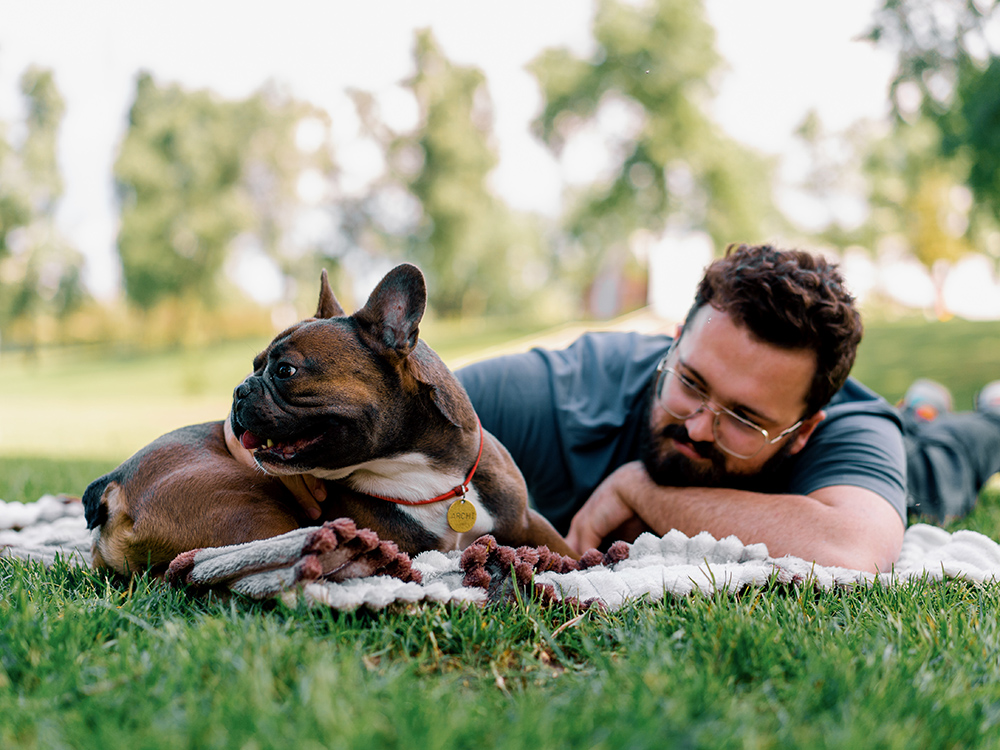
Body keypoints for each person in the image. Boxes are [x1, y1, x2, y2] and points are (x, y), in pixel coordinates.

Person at [455, 243, 1000, 573]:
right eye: (690, 382)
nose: (697, 427)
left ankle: (968, 411)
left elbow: (855, 549)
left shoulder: (853, 432)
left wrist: (638, 487)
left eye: (744, 418)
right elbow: (392, 404)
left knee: (952, 447)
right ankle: (925, 401)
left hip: (912, 460)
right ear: (673, 342)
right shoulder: (557, 392)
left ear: (803, 431)